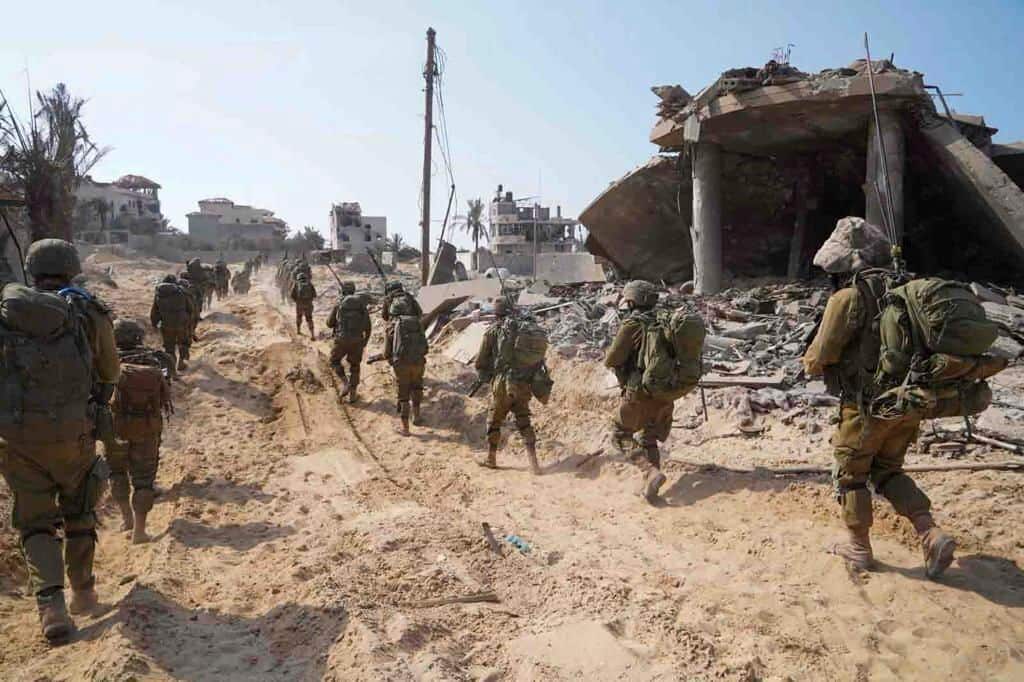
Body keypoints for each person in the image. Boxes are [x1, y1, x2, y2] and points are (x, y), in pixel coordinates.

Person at [803, 217, 956, 577]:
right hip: (909, 403)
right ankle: (930, 533)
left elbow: (818, 357)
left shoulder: (849, 297)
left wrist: (811, 361)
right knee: (887, 471)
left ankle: (858, 549)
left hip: (865, 407)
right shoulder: (908, 290)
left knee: (851, 475)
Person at [0, 239, 120, 642]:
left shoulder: (8, 313)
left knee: (34, 522)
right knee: (79, 507)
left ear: (32, 271)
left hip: (16, 437)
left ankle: (51, 606)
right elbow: (110, 372)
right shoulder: (86, 310)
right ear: (72, 269)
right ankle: (83, 591)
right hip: (74, 433)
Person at [603, 280, 673, 503]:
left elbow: (612, 359)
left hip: (639, 391)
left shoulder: (633, 323)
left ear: (631, 301)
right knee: (649, 438)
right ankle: (652, 490)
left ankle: (649, 472)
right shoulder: (667, 322)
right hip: (666, 392)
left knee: (619, 434)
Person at [108, 320, 173, 545]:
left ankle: (125, 518)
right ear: (139, 336)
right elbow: (166, 395)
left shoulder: (105, 361)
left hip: (114, 428)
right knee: (144, 481)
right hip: (147, 428)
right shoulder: (155, 359)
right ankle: (140, 531)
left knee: (116, 473)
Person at [474, 298, 544, 474]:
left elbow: (481, 360)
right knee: (523, 419)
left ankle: (491, 458)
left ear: (496, 313)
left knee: (494, 419)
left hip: (503, 383)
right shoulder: (524, 330)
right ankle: (534, 463)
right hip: (524, 382)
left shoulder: (494, 331)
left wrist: (486, 375)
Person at [382, 282, 427, 434]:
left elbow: (387, 353)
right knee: (417, 386)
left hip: (401, 364)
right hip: (419, 361)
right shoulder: (417, 323)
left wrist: (391, 360)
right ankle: (418, 416)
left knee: (403, 393)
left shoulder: (391, 326)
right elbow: (425, 347)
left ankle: (405, 428)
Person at [326, 281, 371, 403]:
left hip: (341, 340)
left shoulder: (339, 304)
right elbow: (368, 327)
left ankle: (345, 383)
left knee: (334, 361)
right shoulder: (361, 306)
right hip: (357, 341)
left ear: (342, 292)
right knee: (355, 366)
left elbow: (329, 324)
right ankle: (353, 394)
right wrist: (365, 341)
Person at [151, 274, 195, 372]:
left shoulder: (159, 294)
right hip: (182, 325)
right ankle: (181, 362)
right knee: (183, 343)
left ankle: (172, 371)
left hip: (166, 326)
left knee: (169, 348)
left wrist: (154, 324)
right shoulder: (182, 292)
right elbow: (191, 310)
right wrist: (190, 324)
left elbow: (154, 312)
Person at [289, 272, 317, 336]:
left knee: (299, 317)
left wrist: (297, 301)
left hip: (299, 304)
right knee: (309, 318)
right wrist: (310, 300)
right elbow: (314, 295)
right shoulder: (310, 284)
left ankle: (298, 330)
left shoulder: (296, 284)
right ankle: (312, 334)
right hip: (309, 304)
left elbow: (292, 295)